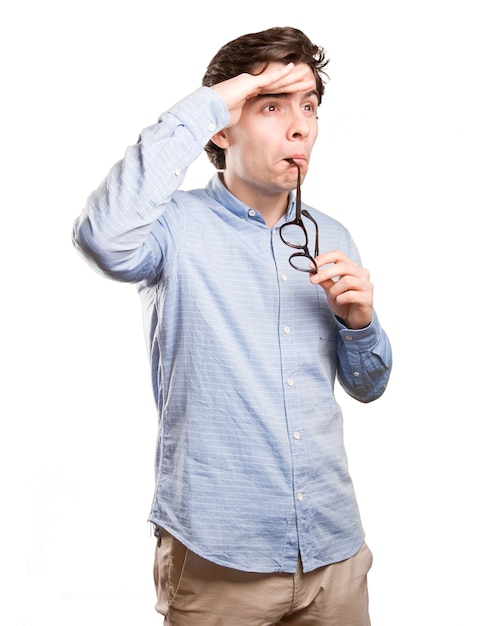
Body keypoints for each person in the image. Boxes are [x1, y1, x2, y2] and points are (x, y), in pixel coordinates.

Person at [72, 26, 392, 626]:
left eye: (309, 106)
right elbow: (103, 238)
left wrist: (361, 327)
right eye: (271, 105)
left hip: (334, 557)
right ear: (220, 127)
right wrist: (220, 96)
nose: (300, 126)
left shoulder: (334, 235)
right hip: (221, 562)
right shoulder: (171, 227)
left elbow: (369, 385)